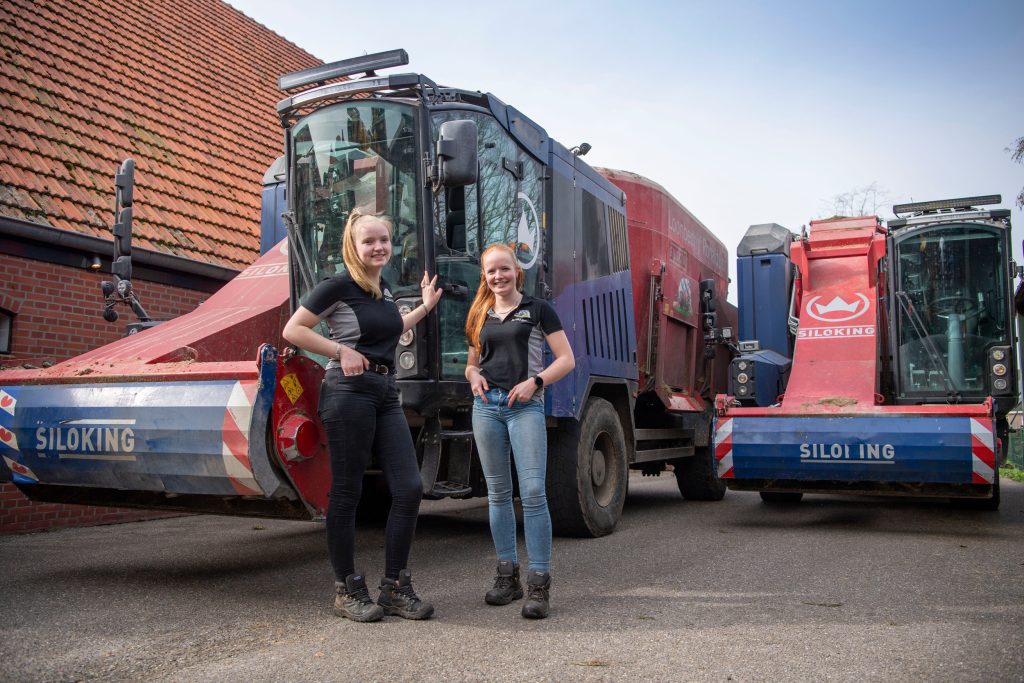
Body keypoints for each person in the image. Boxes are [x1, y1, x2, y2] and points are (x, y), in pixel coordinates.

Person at [282, 208, 442, 623]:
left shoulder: (383, 291)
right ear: (353, 247)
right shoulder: (337, 286)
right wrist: (340, 350)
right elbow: (293, 330)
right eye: (368, 241)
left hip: (387, 391)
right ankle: (347, 589)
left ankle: (394, 587)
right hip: (348, 392)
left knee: (408, 487)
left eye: (383, 240)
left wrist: (423, 308)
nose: (378, 247)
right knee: (348, 492)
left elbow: (390, 329)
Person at [464, 244, 575, 619]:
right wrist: (473, 374)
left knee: (532, 491)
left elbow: (567, 359)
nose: (498, 276)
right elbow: (472, 362)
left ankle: (539, 585)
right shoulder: (480, 312)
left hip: (524, 407)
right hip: (486, 408)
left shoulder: (538, 309)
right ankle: (506, 578)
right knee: (497, 494)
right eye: (491, 271)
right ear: (485, 275)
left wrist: (536, 382)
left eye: (504, 269)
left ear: (517, 271)